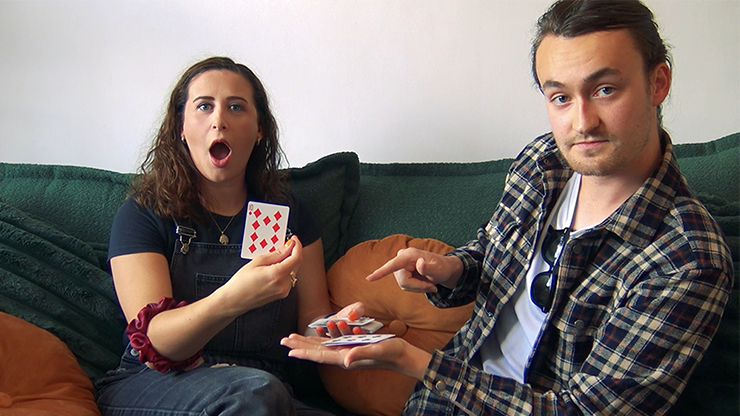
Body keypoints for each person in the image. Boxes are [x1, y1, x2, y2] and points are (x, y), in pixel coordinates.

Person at [281, 1, 735, 415]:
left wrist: (411, 360)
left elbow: (585, 411)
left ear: (658, 83)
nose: (581, 122)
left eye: (605, 89)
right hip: (440, 401)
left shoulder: (688, 258)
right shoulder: (542, 163)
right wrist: (451, 270)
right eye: (560, 97)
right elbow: (492, 254)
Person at [95, 56, 362, 416]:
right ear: (181, 126)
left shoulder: (287, 213)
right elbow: (158, 341)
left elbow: (312, 319)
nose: (218, 120)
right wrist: (234, 298)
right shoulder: (144, 213)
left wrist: (338, 332)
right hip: (155, 382)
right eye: (204, 106)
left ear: (259, 129)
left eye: (236, 107)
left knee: (263, 393)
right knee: (255, 393)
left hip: (266, 388)